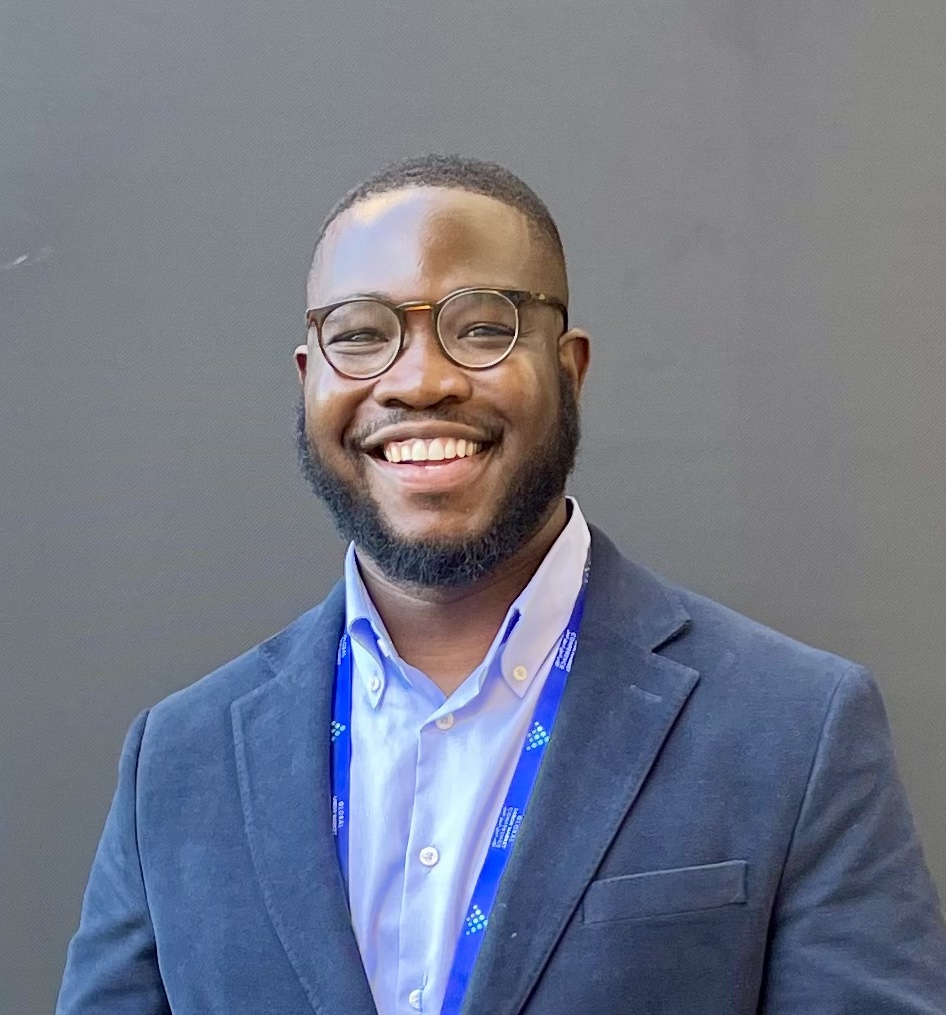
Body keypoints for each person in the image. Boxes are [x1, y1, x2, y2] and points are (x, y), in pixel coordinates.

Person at [57, 154, 946, 1015]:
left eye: (482, 327)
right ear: (310, 380)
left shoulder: (794, 731)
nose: (419, 380)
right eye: (361, 334)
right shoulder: (176, 763)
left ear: (571, 368)